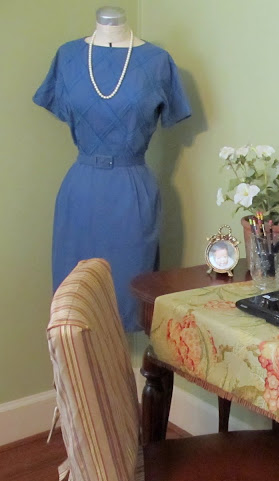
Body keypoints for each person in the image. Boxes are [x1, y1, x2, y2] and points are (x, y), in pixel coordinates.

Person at [33, 6, 191, 331]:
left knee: (129, 294)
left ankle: (123, 361)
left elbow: (173, 111)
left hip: (131, 192)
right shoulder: (67, 57)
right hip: (80, 192)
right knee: (74, 303)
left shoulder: (158, 61)